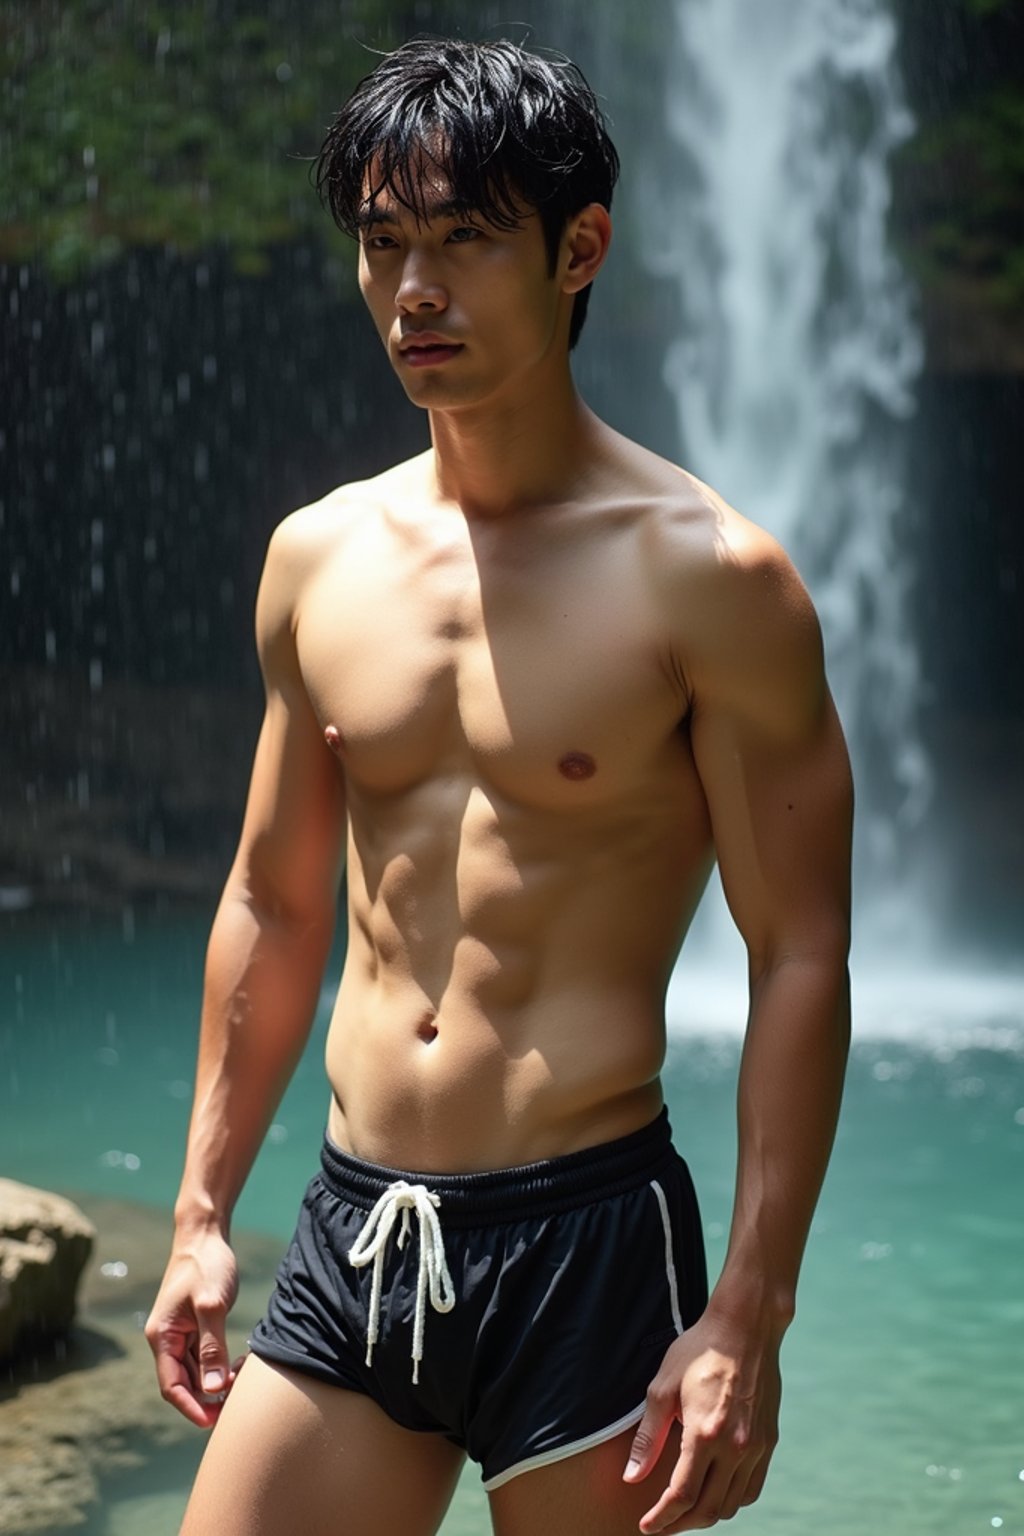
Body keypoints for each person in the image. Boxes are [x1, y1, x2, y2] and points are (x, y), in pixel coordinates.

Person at [146, 35, 853, 1536]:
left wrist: (749, 1318)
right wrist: (203, 1214)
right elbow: (275, 904)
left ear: (578, 250)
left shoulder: (711, 581)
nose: (417, 293)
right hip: (356, 1232)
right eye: (385, 243)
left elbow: (800, 951)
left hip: (590, 1246)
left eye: (466, 241)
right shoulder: (315, 559)